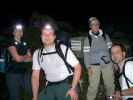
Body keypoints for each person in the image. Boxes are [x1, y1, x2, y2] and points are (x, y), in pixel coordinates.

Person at [32, 19, 81, 100]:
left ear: (54, 37)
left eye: (50, 34)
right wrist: (34, 96)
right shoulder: (37, 53)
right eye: (44, 34)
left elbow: (78, 67)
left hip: (66, 84)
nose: (47, 36)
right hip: (49, 86)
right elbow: (35, 76)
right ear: (41, 37)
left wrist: (73, 88)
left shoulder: (63, 49)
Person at [83, 17, 114, 100]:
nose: (95, 26)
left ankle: (110, 98)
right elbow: (86, 54)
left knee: (110, 85)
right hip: (94, 66)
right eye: (93, 24)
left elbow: (111, 50)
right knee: (93, 86)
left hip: (107, 64)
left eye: (97, 24)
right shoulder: (87, 39)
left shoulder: (105, 36)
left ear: (99, 25)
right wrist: (88, 67)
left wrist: (113, 63)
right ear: (90, 26)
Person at [6, 24, 32, 100]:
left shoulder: (25, 43)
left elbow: (31, 59)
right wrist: (25, 57)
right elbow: (18, 59)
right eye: (17, 31)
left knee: (31, 91)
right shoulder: (10, 43)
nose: (19, 32)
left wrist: (21, 58)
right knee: (15, 96)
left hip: (25, 73)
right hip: (12, 74)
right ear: (13, 33)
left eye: (21, 30)